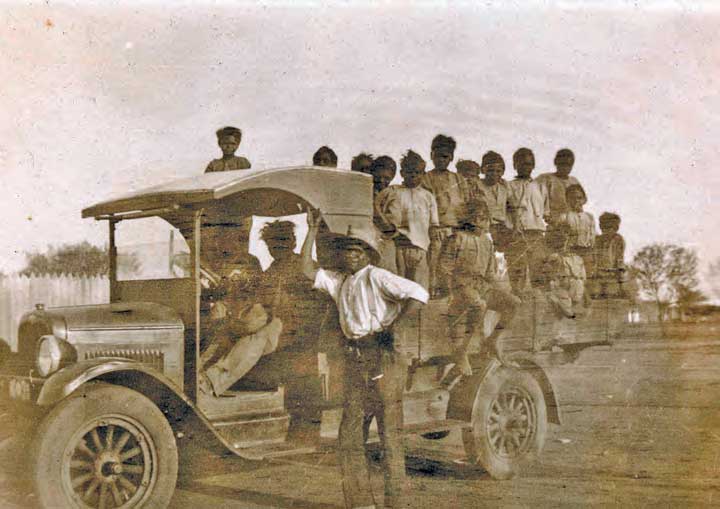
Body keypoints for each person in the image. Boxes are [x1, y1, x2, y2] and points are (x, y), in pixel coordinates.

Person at [301, 209, 428, 509]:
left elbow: (418, 293)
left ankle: (396, 503)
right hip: (355, 359)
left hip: (382, 358)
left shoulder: (378, 276)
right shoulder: (339, 281)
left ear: (368, 254)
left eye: (358, 251)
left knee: (390, 436)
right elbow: (307, 269)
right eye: (347, 251)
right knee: (349, 436)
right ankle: (360, 503)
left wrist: (394, 328)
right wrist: (310, 230)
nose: (352, 257)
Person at [440, 200, 520, 381]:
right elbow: (445, 267)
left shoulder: (486, 242)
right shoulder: (456, 238)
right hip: (461, 285)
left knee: (513, 303)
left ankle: (493, 340)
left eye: (484, 218)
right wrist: (450, 291)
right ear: (467, 219)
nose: (481, 222)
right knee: (479, 305)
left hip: (481, 286)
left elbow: (490, 273)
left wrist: (504, 292)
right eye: (476, 218)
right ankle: (462, 351)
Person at [375, 150, 439, 288]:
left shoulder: (428, 196)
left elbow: (433, 224)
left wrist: (432, 246)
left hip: (421, 248)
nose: (413, 176)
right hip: (399, 246)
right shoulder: (393, 191)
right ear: (402, 173)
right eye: (410, 172)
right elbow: (376, 205)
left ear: (423, 174)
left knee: (419, 287)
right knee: (398, 284)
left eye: (417, 172)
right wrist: (386, 225)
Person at [420, 134, 471, 297]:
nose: (441, 160)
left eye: (445, 156)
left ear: (451, 158)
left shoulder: (458, 179)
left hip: (456, 230)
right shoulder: (425, 178)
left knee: (456, 266)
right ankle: (435, 297)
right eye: (437, 156)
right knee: (435, 265)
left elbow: (467, 202)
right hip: (437, 230)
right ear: (431, 156)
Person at [506, 147, 549, 294]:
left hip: (536, 233)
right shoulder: (509, 186)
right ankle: (517, 305)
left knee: (539, 272)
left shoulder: (540, 186)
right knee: (517, 272)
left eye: (529, 164)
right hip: (517, 233)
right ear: (515, 165)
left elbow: (546, 212)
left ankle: (539, 308)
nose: (526, 167)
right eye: (522, 164)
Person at [473, 151, 511, 252]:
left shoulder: (504, 188)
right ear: (483, 170)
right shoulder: (476, 186)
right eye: (490, 170)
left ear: (503, 172)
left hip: (501, 231)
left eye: (498, 171)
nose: (494, 174)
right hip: (484, 229)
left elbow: (511, 208)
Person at [557, 184, 596, 278]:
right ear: (567, 200)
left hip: (587, 253)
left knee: (588, 280)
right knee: (573, 279)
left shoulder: (589, 217)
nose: (576, 201)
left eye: (579, 198)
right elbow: (560, 237)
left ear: (584, 199)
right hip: (571, 252)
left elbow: (592, 238)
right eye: (572, 198)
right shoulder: (564, 217)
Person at [536, 148, 581, 225]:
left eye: (568, 165)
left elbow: (581, 201)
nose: (565, 168)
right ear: (555, 162)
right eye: (562, 164)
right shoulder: (546, 179)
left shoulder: (574, 181)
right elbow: (536, 199)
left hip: (572, 221)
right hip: (553, 222)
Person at [371, 156, 399, 273]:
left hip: (385, 246)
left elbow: (389, 229)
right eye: (378, 178)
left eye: (386, 178)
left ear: (392, 177)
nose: (382, 181)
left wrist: (375, 207)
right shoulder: (366, 191)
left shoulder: (394, 195)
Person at [592, 212, 627, 298]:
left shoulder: (618, 240)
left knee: (610, 296)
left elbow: (620, 259)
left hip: (612, 275)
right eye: (604, 228)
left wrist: (621, 280)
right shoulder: (596, 240)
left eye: (610, 228)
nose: (607, 231)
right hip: (598, 275)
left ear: (616, 228)